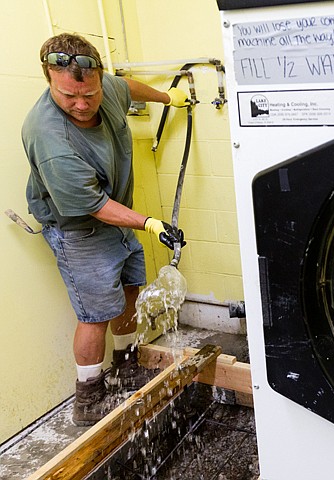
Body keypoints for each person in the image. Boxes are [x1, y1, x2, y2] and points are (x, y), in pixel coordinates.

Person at [22, 33, 189, 426]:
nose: (80, 105)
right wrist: (148, 222)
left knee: (131, 289)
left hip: (118, 214)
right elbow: (95, 206)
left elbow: (125, 85)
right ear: (49, 82)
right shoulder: (50, 136)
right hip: (80, 229)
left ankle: (127, 362)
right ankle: (89, 398)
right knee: (95, 313)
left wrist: (167, 98)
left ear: (97, 78)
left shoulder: (105, 85)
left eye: (90, 94)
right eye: (67, 97)